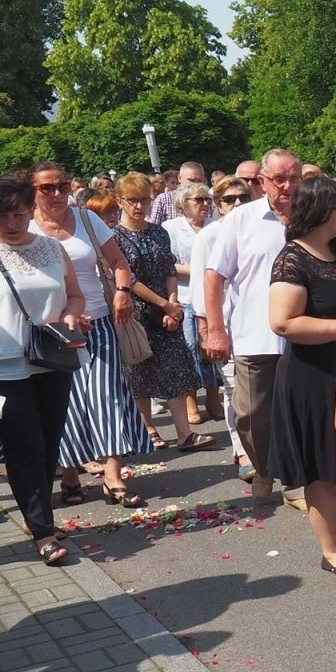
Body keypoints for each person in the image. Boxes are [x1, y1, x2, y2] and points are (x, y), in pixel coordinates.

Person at [0, 177, 88, 566]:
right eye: (1, 216)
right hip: (1, 366)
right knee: (25, 447)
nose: (11, 223)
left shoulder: (51, 247)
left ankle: (37, 515)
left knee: (47, 442)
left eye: (18, 214)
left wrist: (72, 315)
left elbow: (74, 294)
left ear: (32, 209)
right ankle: (42, 531)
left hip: (51, 359)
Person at [28, 162, 153, 509]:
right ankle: (69, 475)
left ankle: (113, 476)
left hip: (98, 322)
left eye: (62, 186)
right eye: (47, 188)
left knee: (107, 395)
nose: (57, 194)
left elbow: (119, 262)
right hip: (51, 331)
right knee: (65, 403)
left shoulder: (87, 219)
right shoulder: (22, 226)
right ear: (32, 191)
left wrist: (122, 292)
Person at [268, 177, 336, 574]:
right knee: (324, 468)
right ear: (319, 212)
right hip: (312, 377)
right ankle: (332, 550)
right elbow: (283, 322)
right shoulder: (292, 258)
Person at [204, 149, 303, 500]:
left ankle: (295, 480)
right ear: (262, 181)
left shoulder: (310, 217)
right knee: (251, 413)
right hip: (254, 334)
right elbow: (215, 276)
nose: (288, 185)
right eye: (280, 179)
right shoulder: (242, 219)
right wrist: (215, 329)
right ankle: (262, 466)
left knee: (299, 411)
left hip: (303, 334)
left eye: (294, 178)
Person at [111, 173, 217, 460]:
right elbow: (128, 279)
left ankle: (184, 432)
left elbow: (169, 269)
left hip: (167, 306)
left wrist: (172, 303)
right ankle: (149, 430)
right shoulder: (115, 237)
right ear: (120, 201)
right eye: (132, 200)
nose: (139, 206)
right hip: (136, 310)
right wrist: (163, 304)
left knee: (175, 368)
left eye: (144, 199)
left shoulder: (159, 231)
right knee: (139, 370)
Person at [191, 177, 255, 468]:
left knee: (257, 391)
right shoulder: (209, 236)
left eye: (243, 197)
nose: (237, 203)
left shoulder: (260, 229)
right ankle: (242, 450)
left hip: (256, 322)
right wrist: (208, 330)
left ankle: (263, 447)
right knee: (233, 388)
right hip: (224, 323)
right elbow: (200, 288)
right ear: (218, 205)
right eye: (229, 199)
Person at [162, 181, 217, 423]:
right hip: (185, 295)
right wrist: (200, 270)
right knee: (189, 349)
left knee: (211, 348)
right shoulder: (170, 228)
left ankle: (213, 397)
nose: (205, 205)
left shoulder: (216, 224)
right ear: (183, 205)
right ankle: (191, 400)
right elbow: (168, 263)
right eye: (199, 200)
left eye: (207, 200)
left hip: (213, 294)